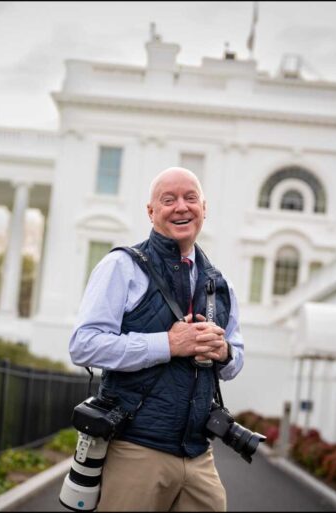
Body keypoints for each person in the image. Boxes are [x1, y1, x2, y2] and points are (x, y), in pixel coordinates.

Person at [69, 166, 245, 511]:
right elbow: (83, 344)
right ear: (151, 212)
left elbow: (234, 361)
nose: (181, 207)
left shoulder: (221, 284)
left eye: (190, 198)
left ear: (204, 208)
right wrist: (168, 344)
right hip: (136, 450)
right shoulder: (121, 266)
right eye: (169, 200)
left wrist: (223, 352)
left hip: (199, 457)